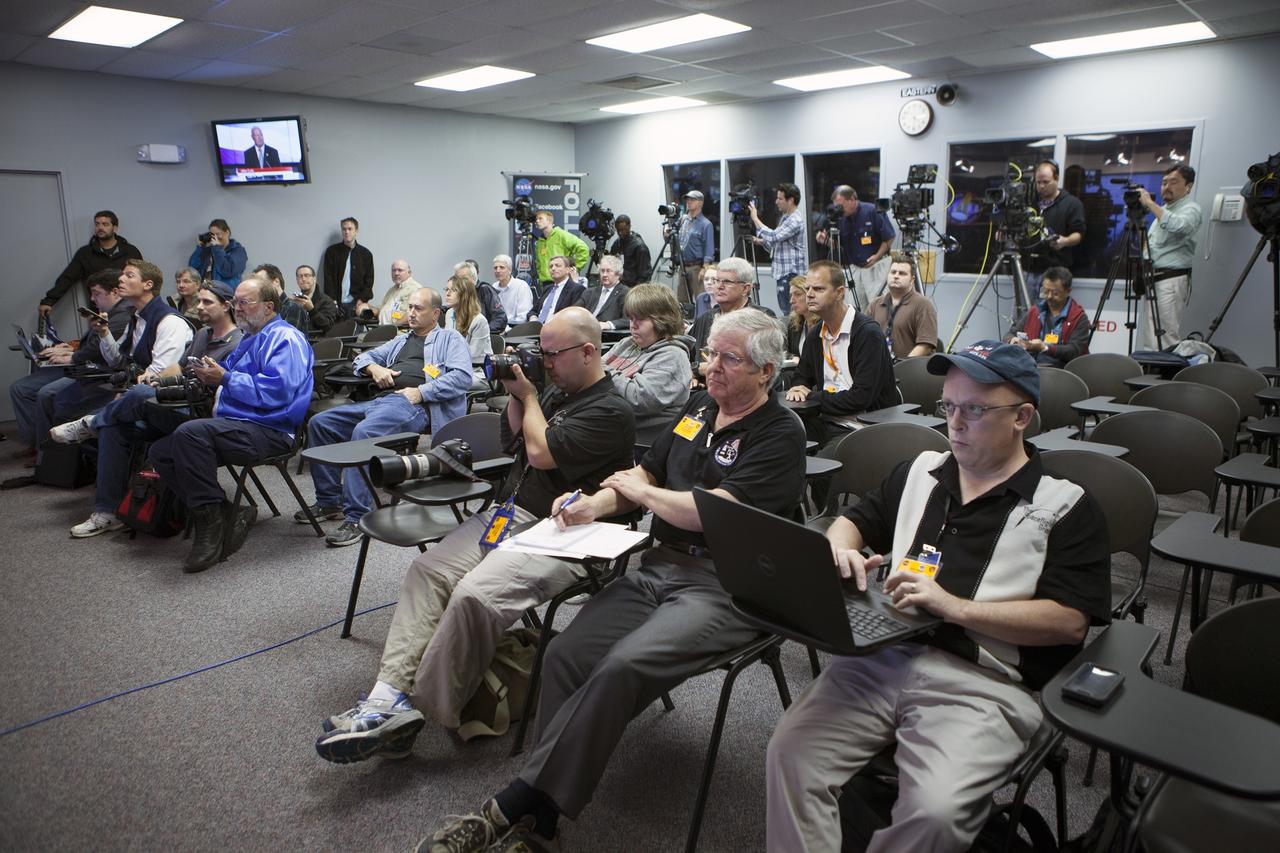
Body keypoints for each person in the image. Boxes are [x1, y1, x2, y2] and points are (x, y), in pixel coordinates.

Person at [422, 309, 805, 853]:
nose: (711, 367)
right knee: (566, 656)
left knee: (622, 666)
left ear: (766, 370)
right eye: (710, 354)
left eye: (729, 358)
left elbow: (713, 512)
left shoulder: (781, 433)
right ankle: (544, 814)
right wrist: (594, 505)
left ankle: (519, 807)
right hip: (662, 566)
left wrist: (642, 494)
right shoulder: (699, 409)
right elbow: (645, 473)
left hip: (728, 586)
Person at [766, 340, 1111, 853]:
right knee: (789, 757)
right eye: (948, 407)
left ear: (1023, 417)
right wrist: (841, 553)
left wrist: (954, 606)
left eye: (974, 409)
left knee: (935, 812)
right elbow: (852, 524)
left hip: (984, 683)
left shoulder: (1065, 506)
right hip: (880, 656)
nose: (955, 422)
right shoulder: (918, 473)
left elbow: (1069, 622)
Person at [314, 307, 635, 764]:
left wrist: (532, 397)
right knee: (428, 572)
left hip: (567, 532)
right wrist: (515, 393)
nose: (543, 363)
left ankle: (415, 711)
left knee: (474, 596)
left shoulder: (611, 410)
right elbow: (514, 443)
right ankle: (386, 699)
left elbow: (542, 455)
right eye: (539, 354)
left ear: (588, 352)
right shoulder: (558, 391)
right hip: (512, 513)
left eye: (552, 355)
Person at [51, 280, 244, 539]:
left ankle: (89, 424)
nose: (199, 307)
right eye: (199, 301)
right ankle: (106, 511)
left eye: (207, 302)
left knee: (139, 395)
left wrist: (154, 387)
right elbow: (179, 368)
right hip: (175, 405)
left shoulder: (237, 342)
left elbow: (222, 390)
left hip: (201, 416)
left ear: (227, 306)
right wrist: (156, 378)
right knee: (114, 428)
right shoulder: (202, 335)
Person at [148, 276, 314, 572]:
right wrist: (211, 373)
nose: (236, 309)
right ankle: (226, 511)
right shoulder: (250, 338)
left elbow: (278, 392)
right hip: (238, 424)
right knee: (161, 451)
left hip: (273, 430)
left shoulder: (286, 338)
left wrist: (224, 378)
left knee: (190, 434)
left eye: (243, 303)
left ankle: (210, 528)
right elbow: (231, 376)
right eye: (234, 302)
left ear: (268, 306)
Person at [302, 286, 471, 548]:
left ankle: (358, 516)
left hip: (410, 405)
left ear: (436, 313)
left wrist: (421, 392)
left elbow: (461, 378)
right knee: (320, 423)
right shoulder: (402, 340)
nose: (411, 313)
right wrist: (375, 367)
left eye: (418, 308)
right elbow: (363, 356)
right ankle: (328, 501)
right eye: (410, 307)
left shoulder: (450, 339)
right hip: (379, 401)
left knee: (364, 434)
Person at [11, 270, 129, 464]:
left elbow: (100, 353)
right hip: (85, 365)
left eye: (96, 293)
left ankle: (47, 453)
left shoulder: (121, 316)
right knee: (33, 390)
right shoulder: (111, 314)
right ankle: (44, 450)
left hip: (95, 372)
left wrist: (73, 356)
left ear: (115, 292)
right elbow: (94, 345)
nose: (92, 298)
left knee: (46, 394)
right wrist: (72, 348)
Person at [786, 260, 897, 445]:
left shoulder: (867, 334)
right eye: (808, 289)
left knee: (813, 466)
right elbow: (801, 378)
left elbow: (860, 398)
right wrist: (797, 389)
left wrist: (812, 396)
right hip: (825, 421)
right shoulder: (816, 335)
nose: (810, 295)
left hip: (862, 427)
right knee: (779, 446)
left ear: (840, 293)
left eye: (819, 289)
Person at [602, 283, 693, 444]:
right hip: (610, 431)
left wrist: (601, 371)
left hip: (640, 446)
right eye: (630, 318)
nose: (633, 325)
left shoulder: (673, 355)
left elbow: (639, 399)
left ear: (663, 320)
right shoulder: (628, 344)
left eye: (641, 319)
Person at [1137, 164, 1203, 350]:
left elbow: (1181, 227)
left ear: (1188, 186)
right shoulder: (1164, 210)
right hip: (1154, 279)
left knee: (1165, 335)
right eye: (1164, 182)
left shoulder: (1191, 209)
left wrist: (1150, 204)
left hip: (1170, 279)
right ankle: (1151, 372)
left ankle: (1166, 376)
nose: (1167, 187)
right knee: (1151, 333)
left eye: (1173, 182)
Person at [95, 260, 194, 385]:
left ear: (147, 285)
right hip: (141, 387)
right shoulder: (136, 317)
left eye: (129, 275)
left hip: (159, 393)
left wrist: (125, 394)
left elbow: (160, 373)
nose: (120, 278)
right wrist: (104, 332)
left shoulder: (170, 321)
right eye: (122, 274)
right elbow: (118, 362)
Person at [39, 210, 143, 318]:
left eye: (105, 224)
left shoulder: (130, 251)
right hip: (100, 312)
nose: (100, 227)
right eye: (97, 224)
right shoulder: (85, 254)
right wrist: (48, 301)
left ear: (115, 228)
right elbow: (67, 278)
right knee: (101, 335)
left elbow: (143, 278)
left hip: (129, 308)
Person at [689, 258, 775, 381]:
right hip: (703, 390)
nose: (719, 286)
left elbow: (767, 368)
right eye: (717, 280)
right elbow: (687, 360)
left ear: (745, 288)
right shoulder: (705, 319)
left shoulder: (762, 318)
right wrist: (693, 376)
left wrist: (702, 369)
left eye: (727, 282)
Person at [820, 186, 895, 309]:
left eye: (840, 205)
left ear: (852, 200)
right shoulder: (841, 218)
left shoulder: (872, 211)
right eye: (836, 206)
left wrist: (877, 256)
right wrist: (827, 241)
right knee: (855, 308)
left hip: (876, 266)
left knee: (879, 306)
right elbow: (839, 245)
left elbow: (890, 237)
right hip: (855, 268)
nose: (838, 210)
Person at [1009, 266, 1090, 368]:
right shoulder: (1035, 311)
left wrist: (1045, 347)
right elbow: (1010, 333)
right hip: (1031, 368)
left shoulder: (1078, 317)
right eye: (1045, 291)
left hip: (1063, 371)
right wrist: (1013, 340)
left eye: (1055, 293)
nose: (1049, 296)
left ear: (1068, 291)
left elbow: (1075, 351)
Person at [750, 182, 808, 315]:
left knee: (791, 312)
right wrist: (761, 242)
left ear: (791, 200)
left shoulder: (795, 220)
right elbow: (774, 243)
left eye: (780, 198)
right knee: (786, 311)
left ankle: (794, 335)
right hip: (784, 274)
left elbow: (775, 236)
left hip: (791, 275)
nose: (776, 202)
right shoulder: (785, 218)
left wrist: (755, 218)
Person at [868, 253, 939, 360]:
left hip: (908, 372)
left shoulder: (923, 305)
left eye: (902, 273)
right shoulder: (875, 304)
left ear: (912, 280)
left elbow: (925, 346)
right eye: (893, 272)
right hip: (878, 369)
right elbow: (864, 337)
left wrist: (901, 367)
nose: (896, 276)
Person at [1029, 161, 1085, 287]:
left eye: (1046, 182)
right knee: (1023, 307)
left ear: (1057, 179)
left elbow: (1078, 234)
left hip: (1055, 272)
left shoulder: (1071, 204)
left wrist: (1065, 241)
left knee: (1050, 306)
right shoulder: (1031, 203)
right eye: (1038, 182)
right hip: (1028, 269)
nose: (1041, 186)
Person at [443, 272, 494, 379]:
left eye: (453, 290)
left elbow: (471, 356)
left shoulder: (479, 321)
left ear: (465, 294)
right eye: (447, 289)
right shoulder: (449, 313)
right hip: (453, 368)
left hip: (477, 371)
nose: (447, 294)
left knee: (443, 383)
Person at [322, 216, 374, 319]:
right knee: (335, 333)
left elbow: (369, 281)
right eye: (344, 229)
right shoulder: (332, 252)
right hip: (335, 303)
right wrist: (332, 300)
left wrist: (361, 300)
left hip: (356, 304)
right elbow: (328, 278)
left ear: (356, 231)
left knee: (355, 333)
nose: (346, 232)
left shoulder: (366, 254)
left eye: (350, 229)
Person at [675, 189, 716, 304]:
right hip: (682, 266)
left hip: (697, 267)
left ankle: (701, 321)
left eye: (692, 199)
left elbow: (709, 247)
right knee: (682, 300)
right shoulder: (683, 220)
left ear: (700, 203)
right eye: (687, 199)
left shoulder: (706, 224)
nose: (688, 202)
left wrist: (705, 268)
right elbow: (674, 238)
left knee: (701, 299)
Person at [533, 210, 590, 290]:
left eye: (540, 218)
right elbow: (539, 263)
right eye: (536, 219)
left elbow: (583, 248)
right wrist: (540, 277)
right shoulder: (540, 242)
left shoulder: (561, 235)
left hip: (562, 281)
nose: (537, 221)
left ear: (549, 221)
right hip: (546, 284)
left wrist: (575, 268)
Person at [188, 219, 247, 288]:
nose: (215, 237)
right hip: (205, 291)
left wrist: (217, 248)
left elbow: (227, 271)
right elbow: (192, 269)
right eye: (212, 235)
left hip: (226, 294)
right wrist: (200, 248)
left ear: (227, 232)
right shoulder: (209, 251)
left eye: (218, 234)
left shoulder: (238, 251)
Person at [454, 261, 508, 333]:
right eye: (457, 279)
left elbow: (500, 318)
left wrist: (482, 331)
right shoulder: (457, 294)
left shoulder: (484, 289)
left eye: (464, 278)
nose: (460, 282)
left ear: (473, 278)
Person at [533, 256, 586, 325]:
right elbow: (533, 310)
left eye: (557, 266)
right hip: (535, 328)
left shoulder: (576, 289)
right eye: (551, 266)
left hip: (557, 329)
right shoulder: (547, 289)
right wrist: (533, 317)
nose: (553, 268)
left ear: (568, 270)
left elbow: (574, 317)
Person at [582, 255, 629, 329]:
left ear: (618, 274)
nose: (604, 275)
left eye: (608, 271)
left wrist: (608, 325)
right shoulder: (590, 292)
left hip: (606, 335)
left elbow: (628, 320)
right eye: (602, 271)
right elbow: (574, 309)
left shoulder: (626, 293)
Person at [290, 264, 338, 334]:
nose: (303, 279)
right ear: (297, 280)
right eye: (300, 276)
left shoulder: (326, 301)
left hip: (318, 341)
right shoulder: (296, 300)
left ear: (314, 279)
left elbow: (328, 327)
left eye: (306, 275)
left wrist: (312, 310)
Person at [607, 215, 651, 286]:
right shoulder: (617, 244)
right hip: (618, 285)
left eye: (623, 230)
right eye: (618, 230)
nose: (620, 233)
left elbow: (645, 274)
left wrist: (636, 292)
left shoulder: (639, 247)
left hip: (633, 287)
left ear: (629, 227)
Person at [492, 254, 533, 329]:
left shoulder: (521, 286)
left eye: (502, 267)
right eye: (495, 268)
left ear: (510, 270)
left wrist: (504, 326)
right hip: (497, 328)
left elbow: (523, 317)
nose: (498, 270)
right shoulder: (494, 287)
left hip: (516, 329)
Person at [377, 259, 421, 325]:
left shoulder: (416, 289)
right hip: (382, 329)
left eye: (400, 270)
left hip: (400, 332)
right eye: (393, 270)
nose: (396, 273)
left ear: (409, 273)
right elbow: (383, 308)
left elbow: (414, 313)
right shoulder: (392, 290)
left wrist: (393, 327)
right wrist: (369, 308)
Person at [784, 275, 816, 359]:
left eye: (798, 294)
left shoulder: (824, 323)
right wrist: (793, 357)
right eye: (791, 295)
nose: (791, 301)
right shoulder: (794, 324)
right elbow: (785, 352)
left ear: (811, 295)